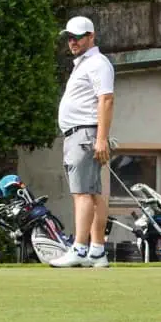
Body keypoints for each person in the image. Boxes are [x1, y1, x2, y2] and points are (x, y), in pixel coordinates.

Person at [50, 15, 116, 268]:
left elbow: (106, 99)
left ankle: (79, 247)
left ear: (91, 36)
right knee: (92, 192)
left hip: (85, 134)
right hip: (79, 134)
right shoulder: (83, 64)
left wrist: (101, 139)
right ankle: (97, 251)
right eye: (70, 37)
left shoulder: (98, 63)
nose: (73, 42)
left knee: (82, 193)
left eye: (78, 37)